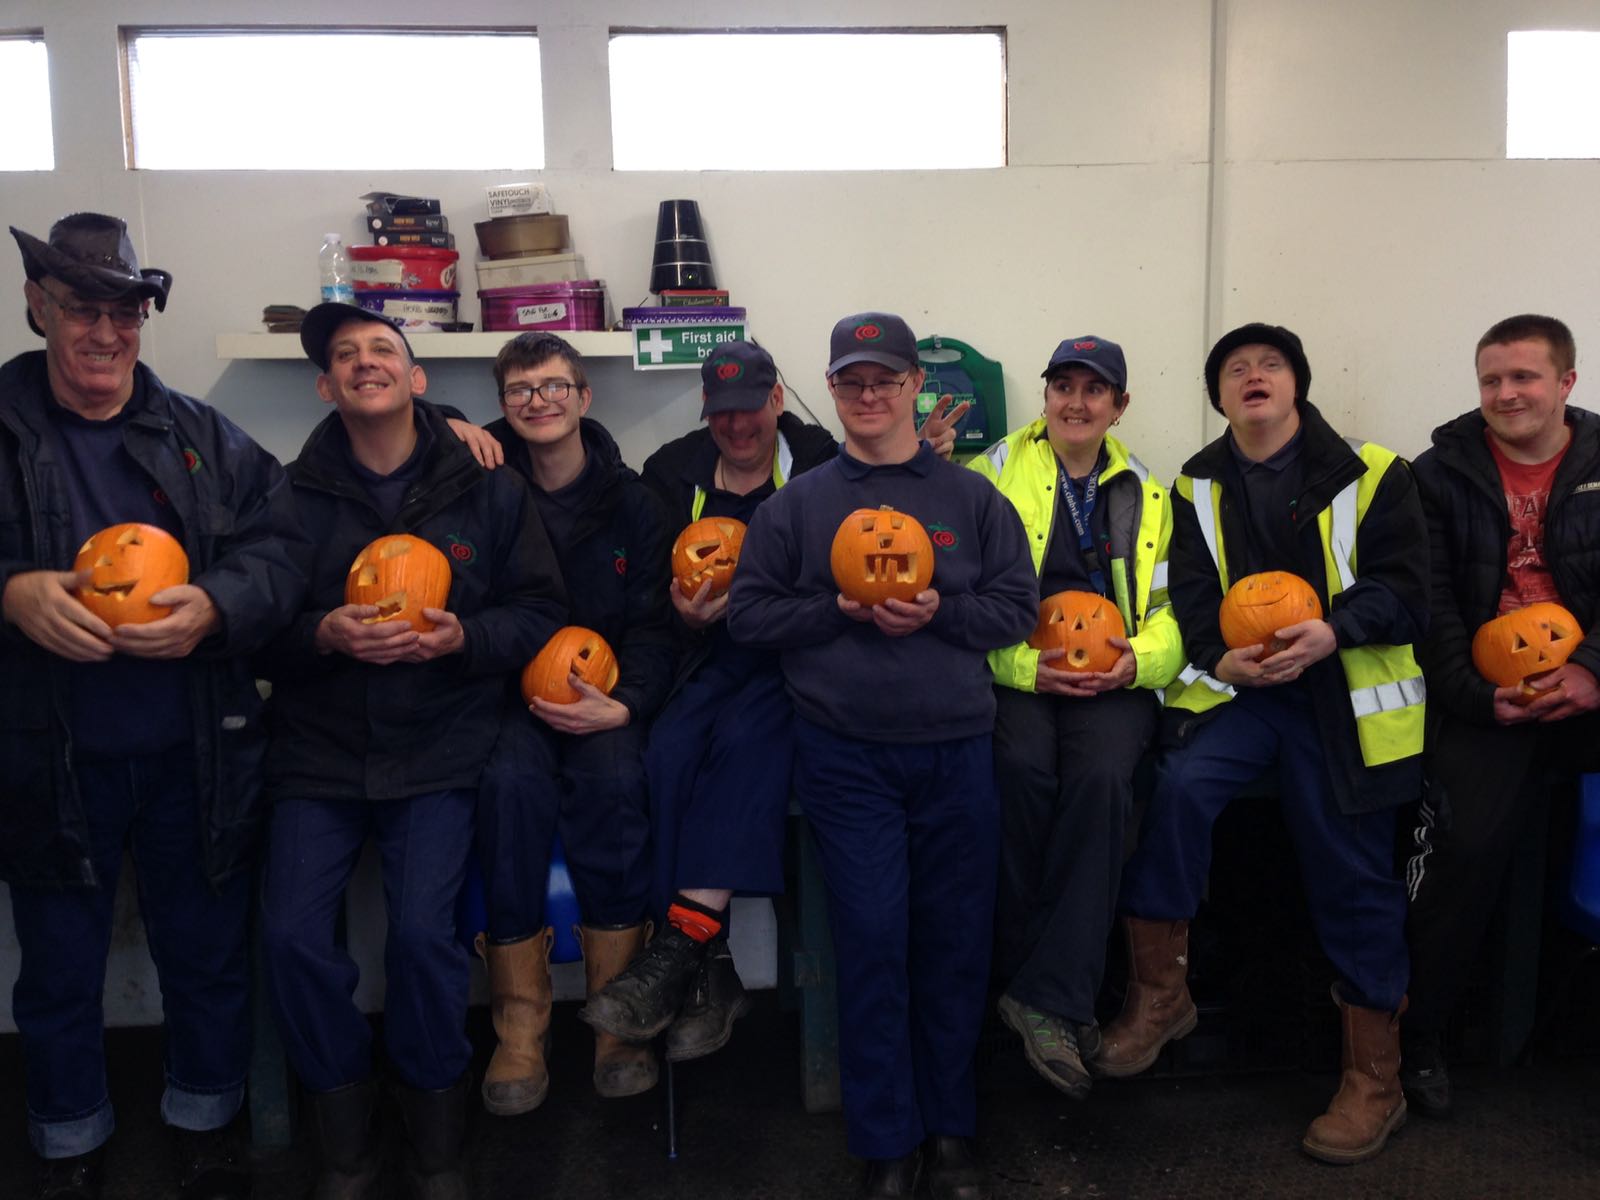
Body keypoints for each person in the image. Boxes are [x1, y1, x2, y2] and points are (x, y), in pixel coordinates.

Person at [0, 213, 308, 1200]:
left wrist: (219, 605)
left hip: (192, 750)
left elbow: (282, 547)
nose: (105, 333)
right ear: (37, 307)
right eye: (81, 310)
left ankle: (206, 1120)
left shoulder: (198, 435)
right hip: (46, 753)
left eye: (125, 314)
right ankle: (67, 1137)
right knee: (58, 965)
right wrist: (8, 591)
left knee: (204, 953)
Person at [1094, 323, 1428, 1165]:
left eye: (1270, 365)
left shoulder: (1375, 473)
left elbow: (1407, 590)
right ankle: (1161, 995)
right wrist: (1218, 658)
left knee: (1350, 867)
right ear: (1218, 396)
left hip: (1341, 699)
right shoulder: (1195, 485)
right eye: (1235, 369)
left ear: (1297, 384)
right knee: (1175, 794)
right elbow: (1187, 595)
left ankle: (1375, 1080)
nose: (1253, 377)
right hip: (1244, 694)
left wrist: (1334, 630)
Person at [257, 304, 565, 1196]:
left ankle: (437, 1127)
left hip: (440, 744)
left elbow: (539, 611)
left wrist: (464, 637)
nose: (365, 362)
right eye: (345, 356)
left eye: (382, 349)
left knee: (426, 938)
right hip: (318, 752)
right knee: (290, 936)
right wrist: (322, 634)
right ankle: (346, 1128)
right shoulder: (289, 495)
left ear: (417, 378)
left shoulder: (488, 486)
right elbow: (256, 629)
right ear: (326, 386)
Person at [728, 313, 1036, 1200]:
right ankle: (886, 1141)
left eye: (886, 380)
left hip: (955, 752)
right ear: (832, 389)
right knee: (869, 945)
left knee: (953, 947)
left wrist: (942, 610)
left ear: (913, 387)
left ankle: (951, 1132)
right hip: (846, 759)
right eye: (852, 381)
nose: (869, 395)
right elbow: (749, 615)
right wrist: (835, 608)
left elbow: (1017, 608)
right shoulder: (798, 505)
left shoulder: (974, 500)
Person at [579, 340, 838, 1065]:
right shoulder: (671, 471)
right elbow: (649, 587)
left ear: (777, 400)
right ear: (706, 410)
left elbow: (844, 574)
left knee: (750, 744)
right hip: (704, 658)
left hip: (790, 663)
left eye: (749, 408)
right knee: (665, 754)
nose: (736, 425)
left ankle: (681, 950)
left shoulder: (820, 463)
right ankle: (708, 968)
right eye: (721, 412)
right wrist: (684, 617)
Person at [969, 336, 1183, 1099]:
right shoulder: (991, 473)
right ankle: (1029, 980)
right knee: (1019, 771)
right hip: (1018, 671)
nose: (1076, 402)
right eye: (1063, 385)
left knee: (1102, 782)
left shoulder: (1147, 493)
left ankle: (1047, 1000)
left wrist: (1139, 662)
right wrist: (1022, 667)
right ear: (1046, 396)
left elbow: (1171, 611)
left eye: (1095, 390)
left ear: (1119, 406)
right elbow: (964, 600)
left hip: (1112, 676)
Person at [469, 332, 675, 1109]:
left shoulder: (634, 503)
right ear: (502, 405)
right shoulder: (482, 487)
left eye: (555, 386)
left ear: (584, 398)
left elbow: (655, 625)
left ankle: (615, 1019)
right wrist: (446, 420)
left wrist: (628, 702)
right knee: (507, 789)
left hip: (606, 698)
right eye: (521, 390)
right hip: (512, 698)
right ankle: (520, 1025)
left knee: (618, 789)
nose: (539, 401)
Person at [1402, 314, 1600, 1116]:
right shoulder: (1437, 473)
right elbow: (1431, 604)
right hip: (1487, 697)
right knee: (1462, 845)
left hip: (1591, 682)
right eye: (1492, 380)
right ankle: (1416, 1039)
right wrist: (1474, 695)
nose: (1507, 393)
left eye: (1524, 377)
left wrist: (1592, 671)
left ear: (1566, 382)